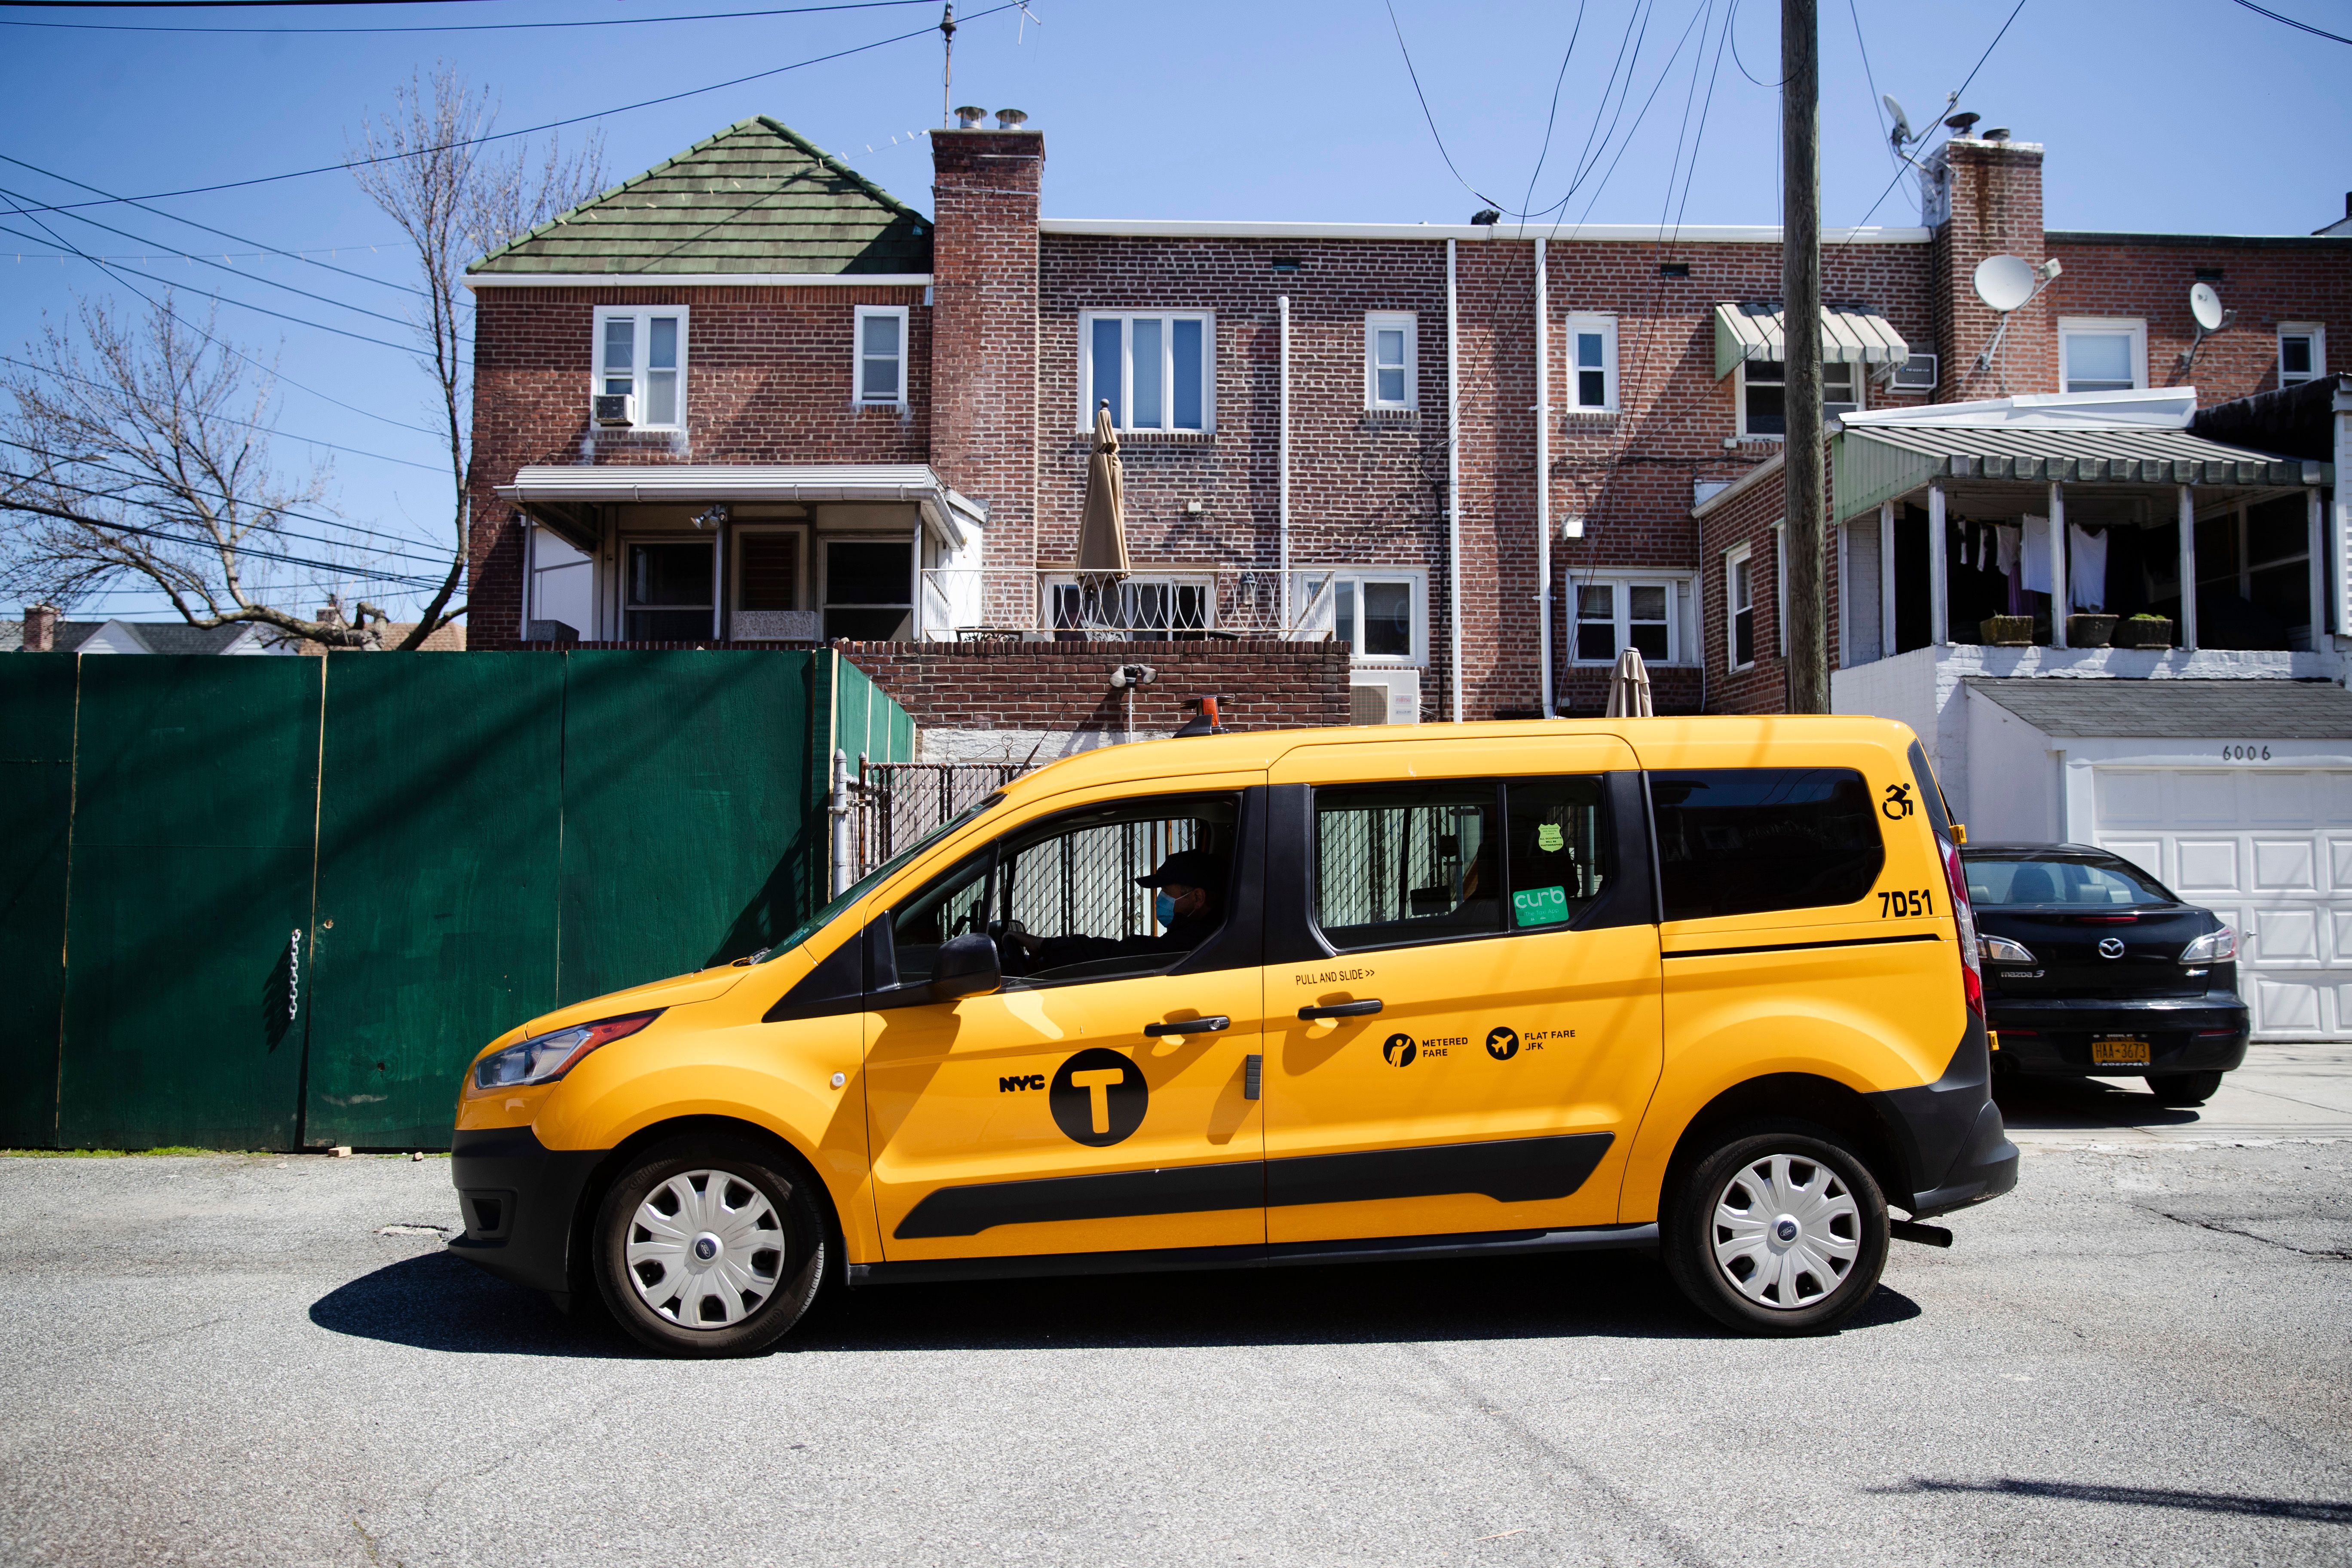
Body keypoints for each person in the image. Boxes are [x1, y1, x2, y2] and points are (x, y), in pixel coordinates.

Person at [1004, 847, 1225, 973]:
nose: (1161, 899)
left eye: (1167, 892)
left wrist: (1046, 946)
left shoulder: (1197, 940)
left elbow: (1119, 955)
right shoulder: (1209, 932)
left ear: (1197, 898)